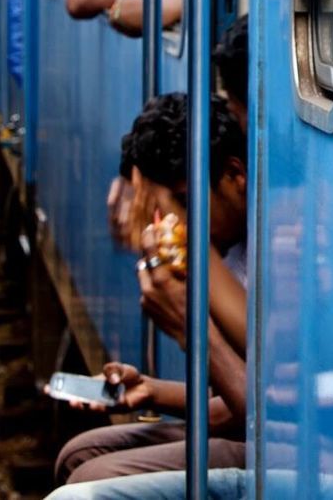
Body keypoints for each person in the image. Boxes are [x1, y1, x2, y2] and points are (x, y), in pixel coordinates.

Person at [51, 93, 249, 487]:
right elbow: (239, 399)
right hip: (254, 423)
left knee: (88, 482)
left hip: (285, 447)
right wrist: (150, 390)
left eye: (184, 201)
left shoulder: (278, 249)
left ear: (235, 175)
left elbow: (272, 418)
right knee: (77, 456)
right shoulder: (228, 247)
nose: (177, 223)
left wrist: (190, 326)